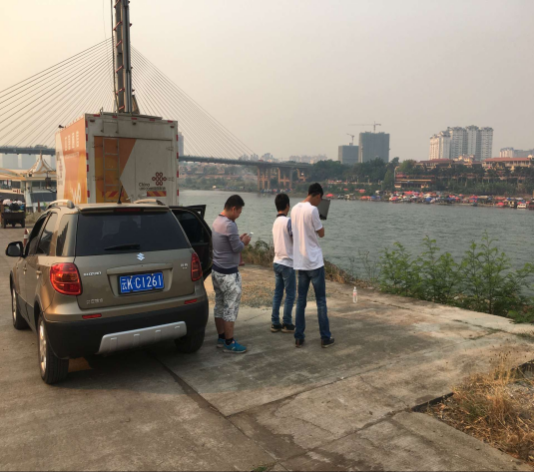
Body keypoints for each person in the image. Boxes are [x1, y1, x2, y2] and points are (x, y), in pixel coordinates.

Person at [291, 183, 334, 348]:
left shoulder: (294, 209)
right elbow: (321, 233)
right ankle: (325, 337)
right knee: (321, 301)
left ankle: (299, 336)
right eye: (320, 199)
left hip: (300, 262)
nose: (319, 202)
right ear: (317, 196)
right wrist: (320, 223)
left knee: (301, 300)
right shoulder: (313, 210)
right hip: (314, 262)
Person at [211, 195, 251, 353]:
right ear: (234, 209)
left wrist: (238, 240)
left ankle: (221, 337)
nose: (239, 215)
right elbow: (237, 248)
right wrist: (244, 242)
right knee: (230, 307)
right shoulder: (230, 224)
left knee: (219, 305)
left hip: (217, 270)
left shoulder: (217, 221)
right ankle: (230, 342)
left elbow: (227, 244)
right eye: (239, 212)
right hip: (228, 274)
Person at [270, 193, 296, 333]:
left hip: (277, 261)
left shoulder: (275, 222)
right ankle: (287, 322)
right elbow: (295, 239)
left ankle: (275, 322)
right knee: (290, 294)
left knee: (278, 293)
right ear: (287, 206)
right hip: (287, 262)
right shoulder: (288, 221)